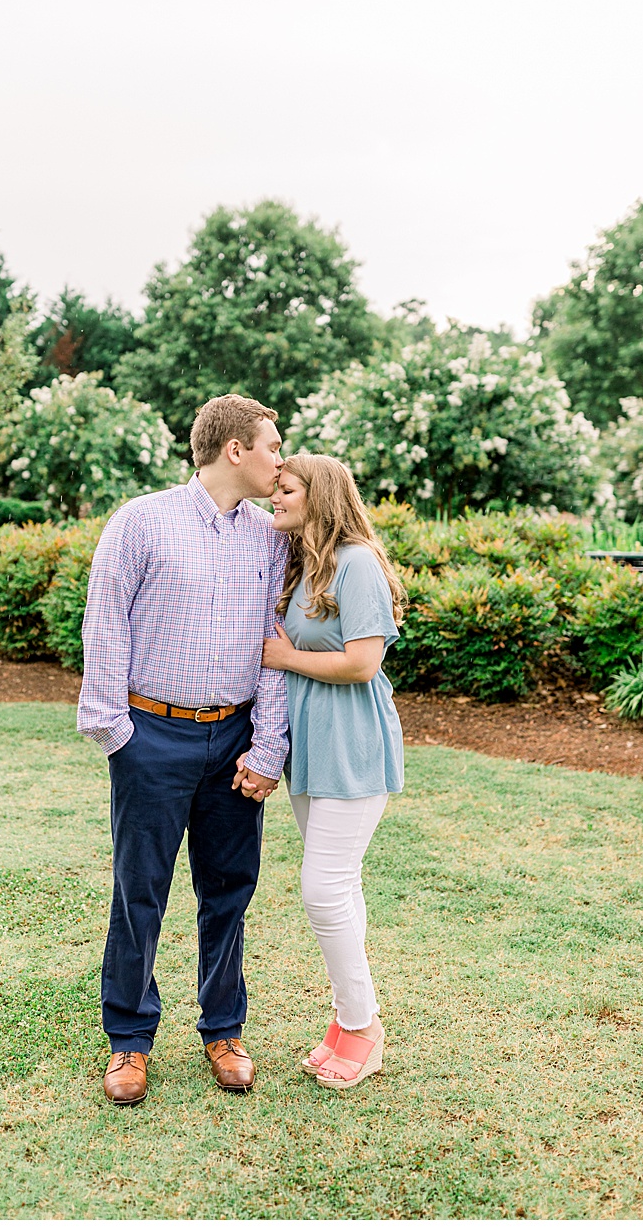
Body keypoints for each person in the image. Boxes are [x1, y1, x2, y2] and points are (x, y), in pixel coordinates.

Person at [78, 394, 290, 1106]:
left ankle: (223, 1029)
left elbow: (275, 649)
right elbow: (104, 621)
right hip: (151, 735)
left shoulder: (272, 537)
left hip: (234, 738)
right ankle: (129, 1040)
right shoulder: (141, 521)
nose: (279, 458)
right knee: (140, 891)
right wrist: (116, 734)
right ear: (235, 449)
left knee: (229, 889)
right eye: (271, 444)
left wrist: (267, 747)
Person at [257, 453, 407, 1091]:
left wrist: (286, 657)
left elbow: (362, 664)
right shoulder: (306, 565)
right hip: (312, 749)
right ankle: (348, 1025)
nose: (275, 500)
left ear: (317, 497)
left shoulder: (357, 564)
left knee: (323, 889)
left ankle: (363, 1025)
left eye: (285, 491)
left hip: (353, 746)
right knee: (339, 888)